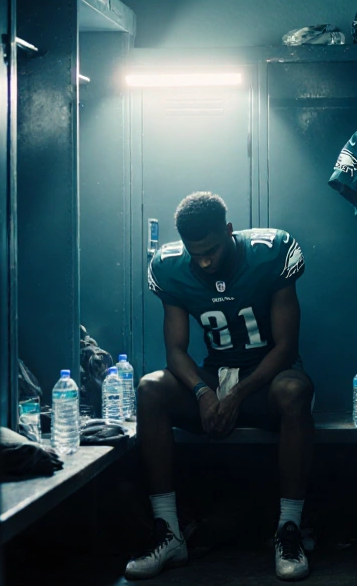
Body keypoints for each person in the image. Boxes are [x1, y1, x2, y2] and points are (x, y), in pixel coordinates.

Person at [125, 191, 314, 581]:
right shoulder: (170, 266)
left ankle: (288, 529)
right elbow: (175, 351)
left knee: (295, 390)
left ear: (229, 231)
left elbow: (286, 347)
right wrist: (204, 392)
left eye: (211, 249)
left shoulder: (271, 251)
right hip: (215, 375)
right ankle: (169, 533)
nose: (205, 261)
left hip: (266, 383)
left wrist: (239, 393)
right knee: (149, 388)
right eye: (196, 254)